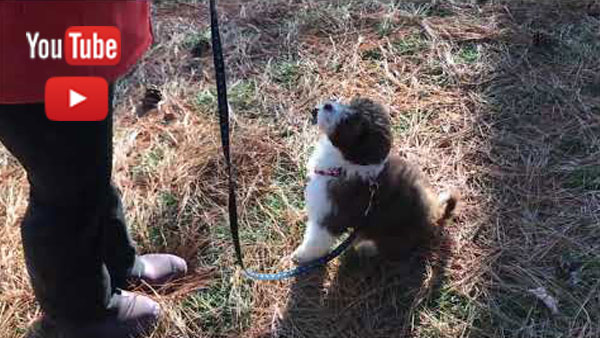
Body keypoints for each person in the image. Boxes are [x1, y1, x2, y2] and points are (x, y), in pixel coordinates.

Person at [0, 2, 188, 337]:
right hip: (30, 42)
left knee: (88, 163)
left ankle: (116, 265)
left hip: (79, 30)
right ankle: (79, 316)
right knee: (65, 185)